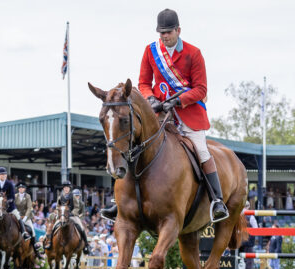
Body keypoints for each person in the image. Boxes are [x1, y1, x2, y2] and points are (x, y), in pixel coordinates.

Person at [101, 8, 229, 223]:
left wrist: (179, 100)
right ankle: (119, 202)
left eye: (168, 32)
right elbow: (143, 83)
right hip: (160, 111)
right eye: (161, 33)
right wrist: (151, 99)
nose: (165, 36)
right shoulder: (151, 51)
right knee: (134, 144)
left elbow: (201, 89)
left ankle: (217, 200)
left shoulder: (193, 53)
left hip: (189, 113)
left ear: (178, 30)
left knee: (202, 150)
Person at [45, 181, 89, 254]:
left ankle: (86, 245)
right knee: (53, 227)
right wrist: (58, 212)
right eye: (65, 188)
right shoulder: (60, 197)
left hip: (72, 216)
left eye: (67, 188)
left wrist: (71, 213)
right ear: (63, 188)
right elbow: (57, 207)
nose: (66, 189)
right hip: (62, 215)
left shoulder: (73, 197)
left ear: (69, 189)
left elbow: (77, 207)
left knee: (81, 227)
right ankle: (49, 242)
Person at [15, 183, 40, 255]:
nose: (21, 189)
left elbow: (29, 208)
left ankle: (35, 245)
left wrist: (25, 218)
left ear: (24, 189)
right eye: (19, 188)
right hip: (17, 216)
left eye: (22, 188)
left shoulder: (28, 196)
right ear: (18, 189)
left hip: (26, 216)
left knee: (32, 229)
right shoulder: (15, 196)